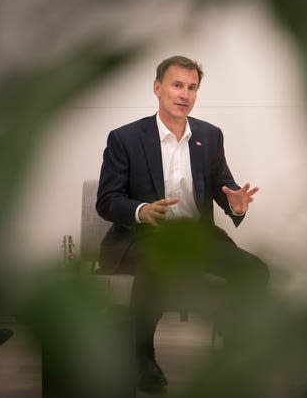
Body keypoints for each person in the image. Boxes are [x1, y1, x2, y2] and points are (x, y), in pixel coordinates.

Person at [96, 56, 269, 393]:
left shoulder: (210, 136)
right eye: (177, 85)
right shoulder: (125, 139)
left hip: (196, 237)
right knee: (158, 260)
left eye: (192, 87)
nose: (184, 94)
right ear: (158, 88)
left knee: (255, 271)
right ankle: (142, 356)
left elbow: (225, 187)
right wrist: (141, 209)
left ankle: (235, 353)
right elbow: (106, 200)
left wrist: (235, 203)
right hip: (142, 236)